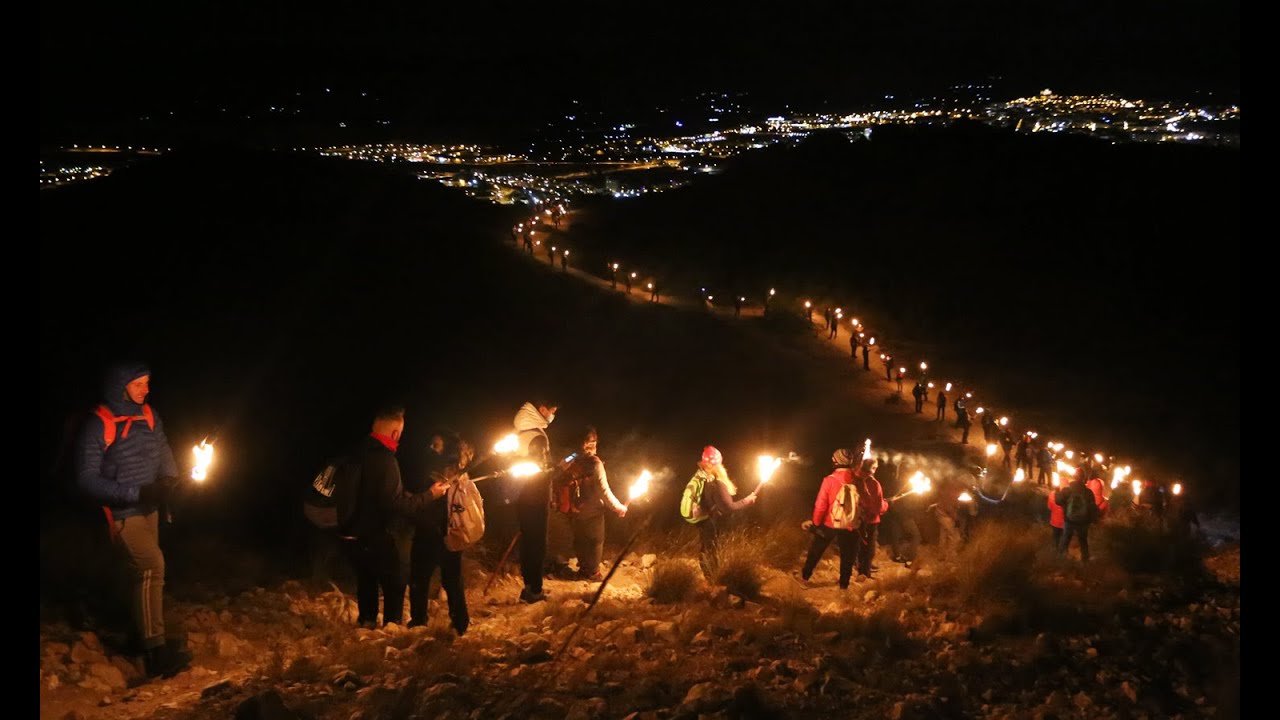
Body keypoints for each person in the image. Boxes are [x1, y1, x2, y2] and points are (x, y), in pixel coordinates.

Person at [75, 363, 191, 678]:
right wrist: (135, 492)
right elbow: (86, 479)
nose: (146, 390)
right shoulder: (99, 423)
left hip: (150, 508)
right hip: (122, 513)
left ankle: (139, 638)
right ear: (121, 386)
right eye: (139, 384)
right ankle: (156, 654)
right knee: (152, 566)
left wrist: (171, 481)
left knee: (139, 576)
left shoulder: (150, 416)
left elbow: (164, 451)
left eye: (147, 383)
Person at [341, 405, 436, 629]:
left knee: (366, 582)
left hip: (350, 532)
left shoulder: (356, 452)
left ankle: (366, 624)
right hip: (377, 533)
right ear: (395, 433)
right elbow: (395, 504)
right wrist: (430, 495)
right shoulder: (386, 460)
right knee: (395, 581)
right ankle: (391, 628)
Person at [406, 434, 470, 635]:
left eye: (436, 443)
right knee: (440, 576)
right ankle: (457, 622)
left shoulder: (444, 465)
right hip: (441, 526)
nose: (432, 447)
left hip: (438, 526)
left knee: (426, 575)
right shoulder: (452, 464)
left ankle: (423, 621)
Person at [548, 427, 628, 581]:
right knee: (595, 541)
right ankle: (592, 573)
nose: (596, 444)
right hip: (592, 511)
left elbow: (554, 476)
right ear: (588, 443)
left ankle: (583, 569)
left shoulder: (569, 459)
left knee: (580, 540)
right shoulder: (595, 463)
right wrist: (618, 507)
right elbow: (604, 491)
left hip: (573, 509)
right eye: (594, 441)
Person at [513, 400, 559, 603]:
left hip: (521, 494)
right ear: (542, 409)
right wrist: (558, 469)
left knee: (527, 542)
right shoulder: (537, 437)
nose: (553, 415)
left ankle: (528, 586)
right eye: (552, 410)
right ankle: (535, 590)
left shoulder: (522, 432)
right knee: (537, 544)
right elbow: (542, 472)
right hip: (536, 497)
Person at [688, 446, 757, 578]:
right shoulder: (717, 483)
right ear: (718, 464)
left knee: (705, 548)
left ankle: (709, 579)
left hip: (702, 520)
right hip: (713, 523)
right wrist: (747, 501)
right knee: (713, 551)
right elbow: (728, 507)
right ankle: (714, 581)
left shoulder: (701, 478)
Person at [800, 449, 862, 588]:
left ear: (835, 461)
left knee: (816, 550)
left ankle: (805, 577)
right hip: (851, 525)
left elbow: (821, 505)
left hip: (830, 523)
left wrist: (816, 523)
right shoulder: (858, 480)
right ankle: (844, 585)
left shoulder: (829, 480)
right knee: (847, 556)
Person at [851, 458, 887, 579]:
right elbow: (877, 507)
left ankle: (860, 568)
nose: (876, 469)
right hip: (870, 520)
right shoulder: (873, 483)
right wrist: (886, 505)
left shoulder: (855, 479)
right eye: (875, 467)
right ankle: (865, 573)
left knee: (860, 545)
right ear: (871, 468)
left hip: (856, 518)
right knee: (869, 548)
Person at [1055, 470, 1100, 562]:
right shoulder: (1088, 492)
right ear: (1084, 479)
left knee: (1066, 539)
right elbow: (1092, 508)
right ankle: (1085, 560)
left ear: (1074, 477)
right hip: (1083, 522)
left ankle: (1061, 559)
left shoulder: (1067, 490)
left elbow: (1058, 501)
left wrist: (1057, 491)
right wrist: (1094, 520)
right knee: (1083, 541)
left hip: (1069, 520)